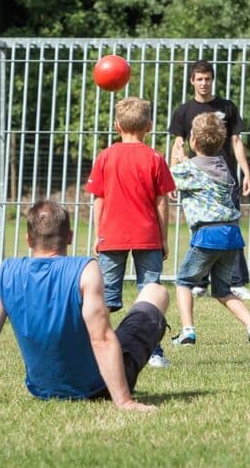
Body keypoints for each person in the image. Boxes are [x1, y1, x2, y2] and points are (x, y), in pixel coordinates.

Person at [0, 201, 165, 411]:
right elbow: (101, 339)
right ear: (69, 237)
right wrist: (123, 401)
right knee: (155, 292)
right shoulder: (86, 270)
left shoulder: (3, 273)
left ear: (28, 238)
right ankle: (119, 389)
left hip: (42, 390)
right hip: (97, 388)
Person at [87, 97, 175, 368]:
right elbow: (162, 201)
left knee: (105, 297)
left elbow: (98, 200)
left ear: (116, 126)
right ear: (149, 126)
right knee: (150, 293)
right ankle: (154, 352)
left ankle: (95, 348)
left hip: (111, 235)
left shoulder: (105, 156)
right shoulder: (155, 158)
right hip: (147, 235)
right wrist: (163, 237)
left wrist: (98, 234)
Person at [169, 113, 250, 347]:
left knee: (184, 281)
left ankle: (187, 332)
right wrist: (186, 160)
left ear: (193, 141)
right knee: (223, 289)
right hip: (232, 235)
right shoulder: (224, 166)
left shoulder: (190, 169)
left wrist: (177, 157)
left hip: (208, 235)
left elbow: (168, 179)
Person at [169, 59, 250, 301]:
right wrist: (173, 175)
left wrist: (245, 172)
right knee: (202, 225)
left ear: (212, 80)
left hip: (223, 178)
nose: (204, 83)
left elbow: (236, 141)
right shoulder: (184, 111)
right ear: (192, 81)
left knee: (230, 226)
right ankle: (200, 281)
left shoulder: (226, 107)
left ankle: (236, 282)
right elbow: (177, 144)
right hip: (197, 178)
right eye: (199, 79)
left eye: (207, 78)